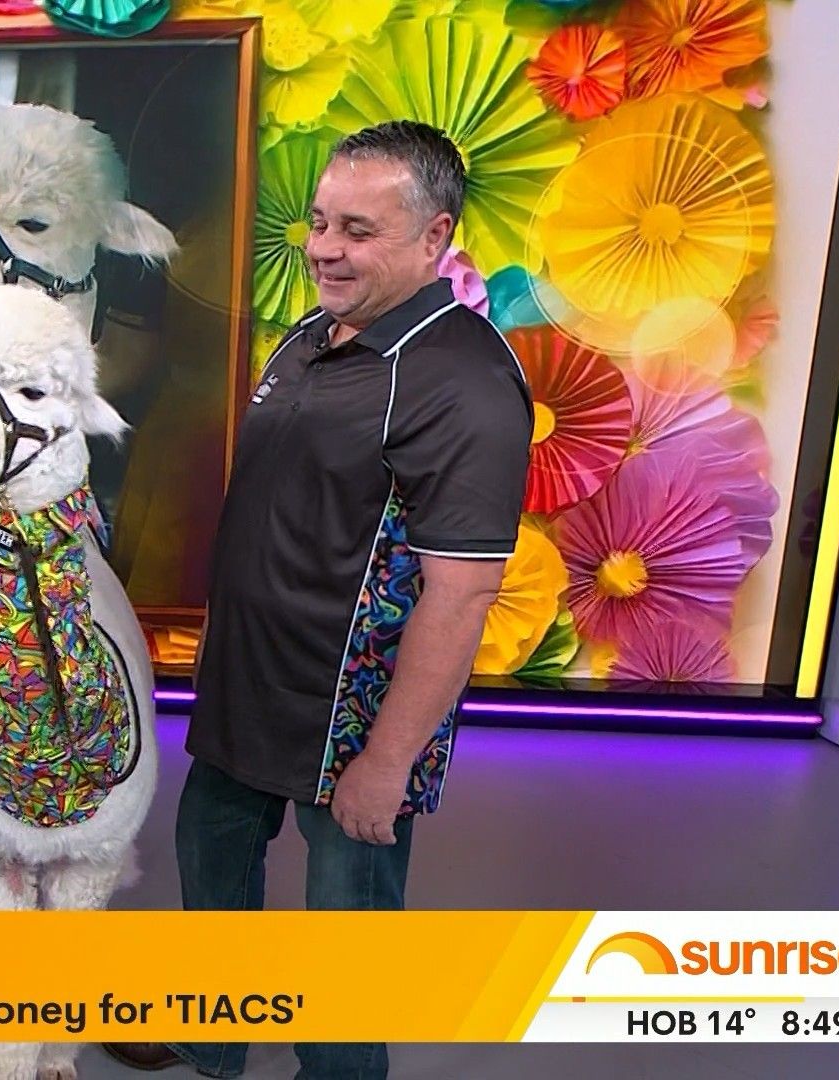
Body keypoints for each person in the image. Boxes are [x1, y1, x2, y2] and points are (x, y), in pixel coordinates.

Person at [105, 121, 533, 1079]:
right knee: (212, 854)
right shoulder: (310, 336)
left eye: (358, 231)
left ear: (435, 237)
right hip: (245, 691)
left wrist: (389, 763)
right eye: (320, 222)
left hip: (353, 722)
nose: (325, 249)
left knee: (345, 930)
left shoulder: (464, 382)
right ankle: (211, 1032)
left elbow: (463, 594)